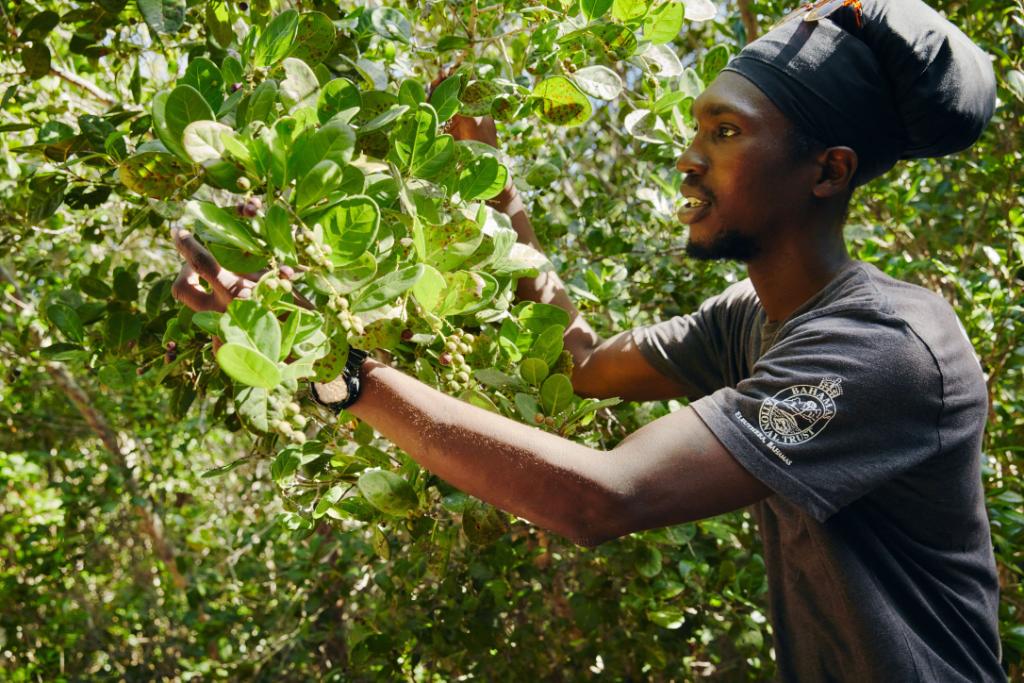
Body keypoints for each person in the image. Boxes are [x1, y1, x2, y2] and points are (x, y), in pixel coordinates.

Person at [171, 0, 1005, 679]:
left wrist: (342, 373)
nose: (687, 157)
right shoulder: (749, 319)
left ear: (828, 170)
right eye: (697, 129)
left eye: (724, 132)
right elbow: (584, 366)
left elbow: (604, 498)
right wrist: (491, 190)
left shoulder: (887, 346)